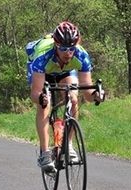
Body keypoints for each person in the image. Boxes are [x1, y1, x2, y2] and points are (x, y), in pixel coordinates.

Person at [26, 21, 104, 172]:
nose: (68, 53)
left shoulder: (82, 56)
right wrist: (41, 98)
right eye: (63, 48)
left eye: (71, 48)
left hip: (65, 72)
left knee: (73, 99)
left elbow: (87, 95)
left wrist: (97, 95)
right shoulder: (42, 56)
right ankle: (45, 153)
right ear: (56, 45)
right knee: (44, 103)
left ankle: (68, 145)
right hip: (43, 72)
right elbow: (34, 94)